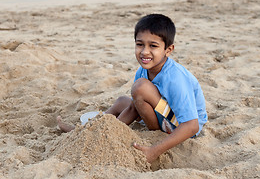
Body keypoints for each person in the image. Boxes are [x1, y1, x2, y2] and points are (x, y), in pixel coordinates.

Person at [57, 14, 208, 163]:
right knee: (123, 101)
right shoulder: (143, 70)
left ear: (168, 50)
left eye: (153, 46)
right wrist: (110, 128)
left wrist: (154, 151)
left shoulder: (175, 78)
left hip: (182, 129)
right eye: (140, 44)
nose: (144, 52)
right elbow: (134, 106)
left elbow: (192, 125)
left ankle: (97, 132)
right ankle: (93, 130)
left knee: (140, 87)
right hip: (164, 114)